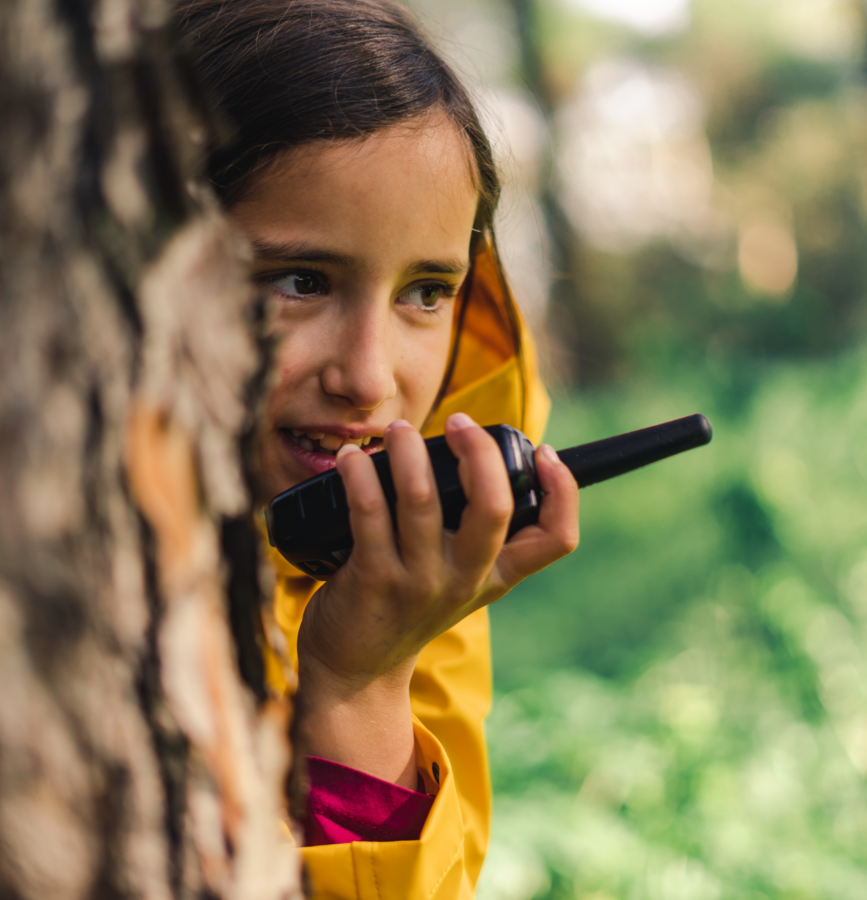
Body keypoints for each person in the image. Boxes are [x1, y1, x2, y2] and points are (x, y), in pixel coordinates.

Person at [177, 1, 580, 896]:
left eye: (426, 292)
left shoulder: (420, 537)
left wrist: (359, 689)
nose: (368, 378)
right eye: (298, 281)